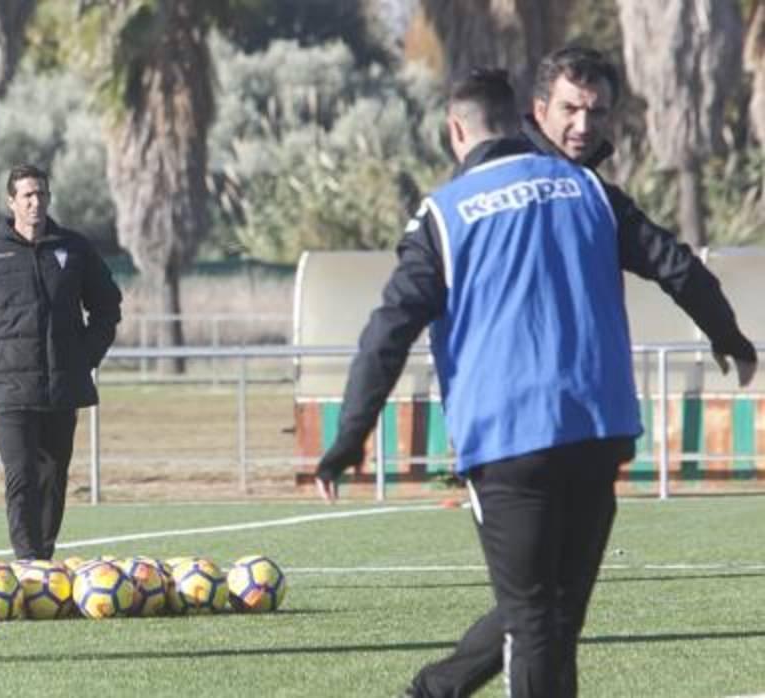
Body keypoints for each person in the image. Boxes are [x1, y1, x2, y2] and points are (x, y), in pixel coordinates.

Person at [313, 69, 756, 698]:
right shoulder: (588, 191)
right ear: (524, 117)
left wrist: (349, 437)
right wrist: (729, 337)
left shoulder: (445, 213)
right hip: (597, 430)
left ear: (456, 129)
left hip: (507, 439)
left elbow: (389, 330)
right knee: (551, 617)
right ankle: (435, 691)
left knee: (534, 621)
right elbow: (676, 265)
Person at [0, 164, 122, 561]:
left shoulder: (75, 249)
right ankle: (26, 559)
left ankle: (43, 555)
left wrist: (83, 359)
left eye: (41, 194)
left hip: (62, 389)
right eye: (27, 195)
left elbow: (107, 308)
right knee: (21, 475)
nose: (36, 202)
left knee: (52, 478)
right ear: (12, 202)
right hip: (8, 392)